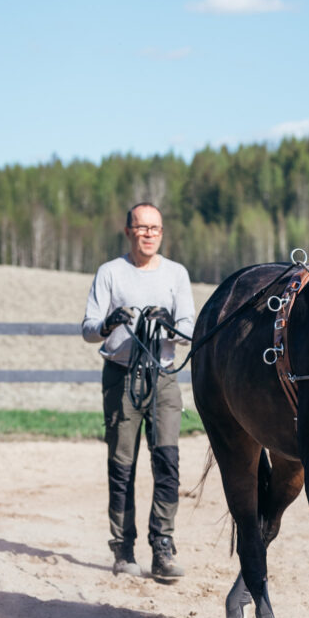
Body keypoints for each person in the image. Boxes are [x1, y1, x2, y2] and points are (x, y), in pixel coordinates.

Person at [82, 202, 196, 583]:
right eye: (142, 227)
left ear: (162, 233)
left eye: (155, 228)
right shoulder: (110, 273)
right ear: (128, 230)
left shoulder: (176, 274)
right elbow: (87, 328)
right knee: (122, 465)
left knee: (167, 463)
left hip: (162, 377)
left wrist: (170, 325)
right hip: (120, 378)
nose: (149, 234)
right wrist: (108, 324)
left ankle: (162, 545)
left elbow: (189, 329)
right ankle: (123, 547)